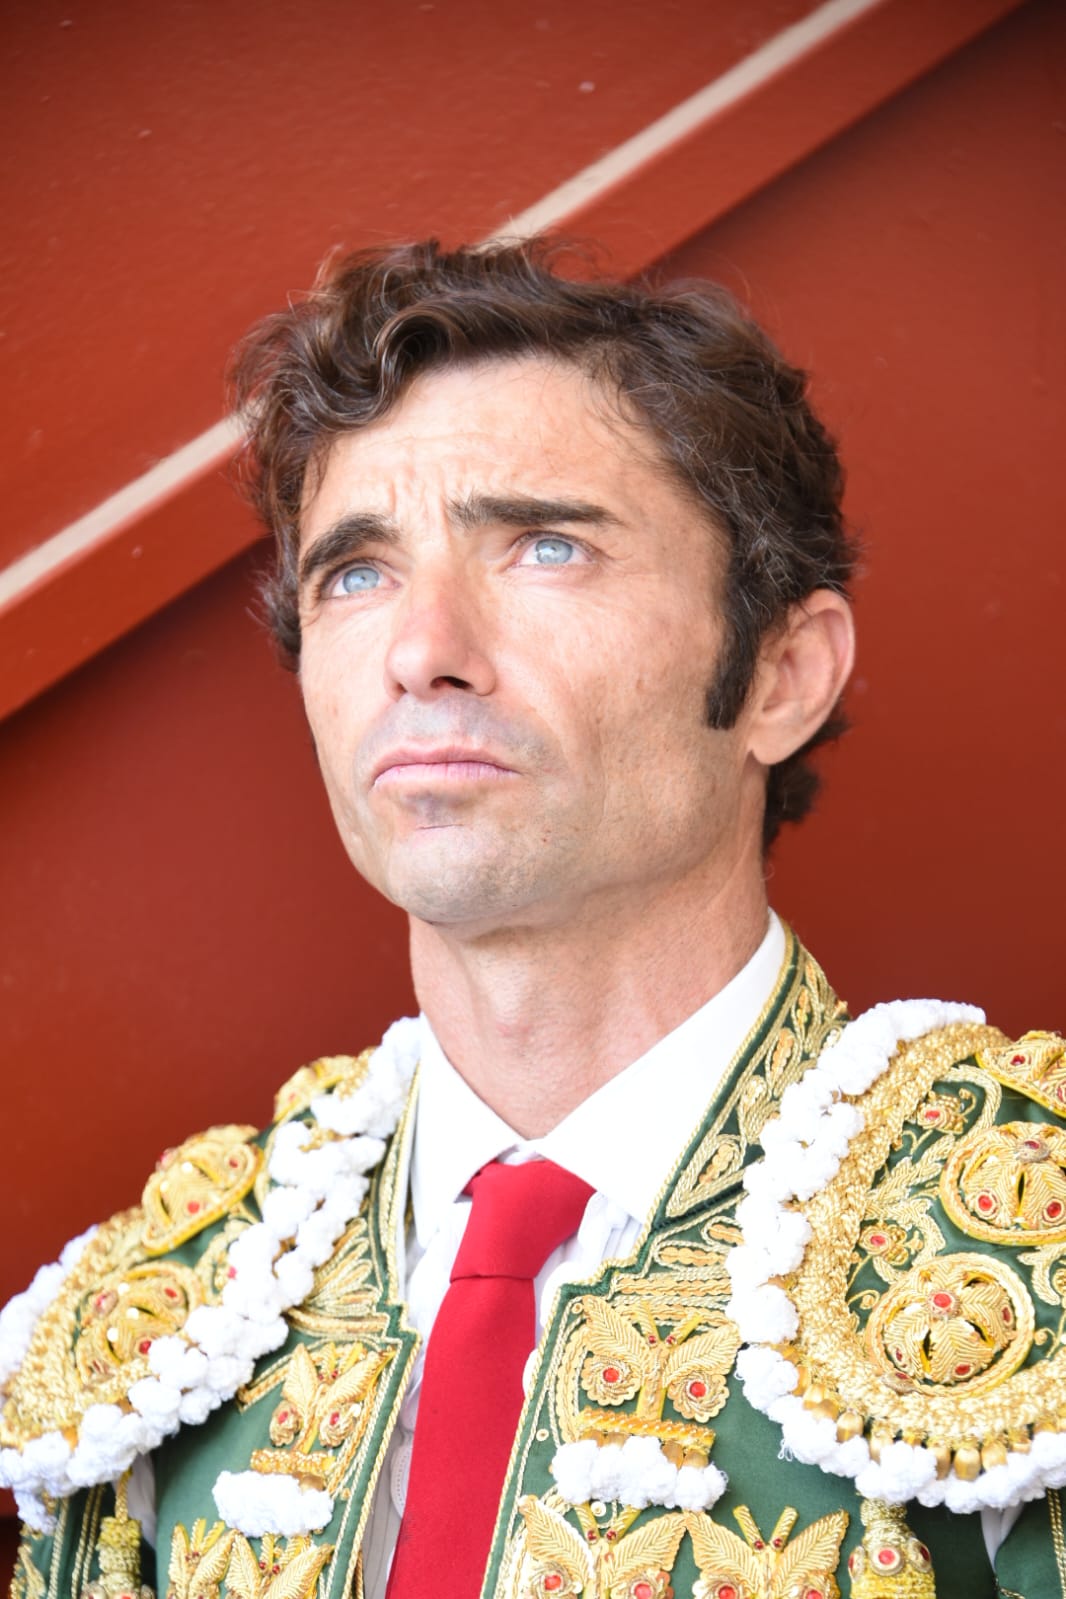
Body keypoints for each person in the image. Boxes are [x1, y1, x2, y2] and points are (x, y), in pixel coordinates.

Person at [2, 240, 1064, 1599]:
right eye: (354, 572)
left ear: (781, 677)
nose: (420, 650)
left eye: (546, 547)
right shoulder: (162, 1320)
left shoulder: (1022, 1255)